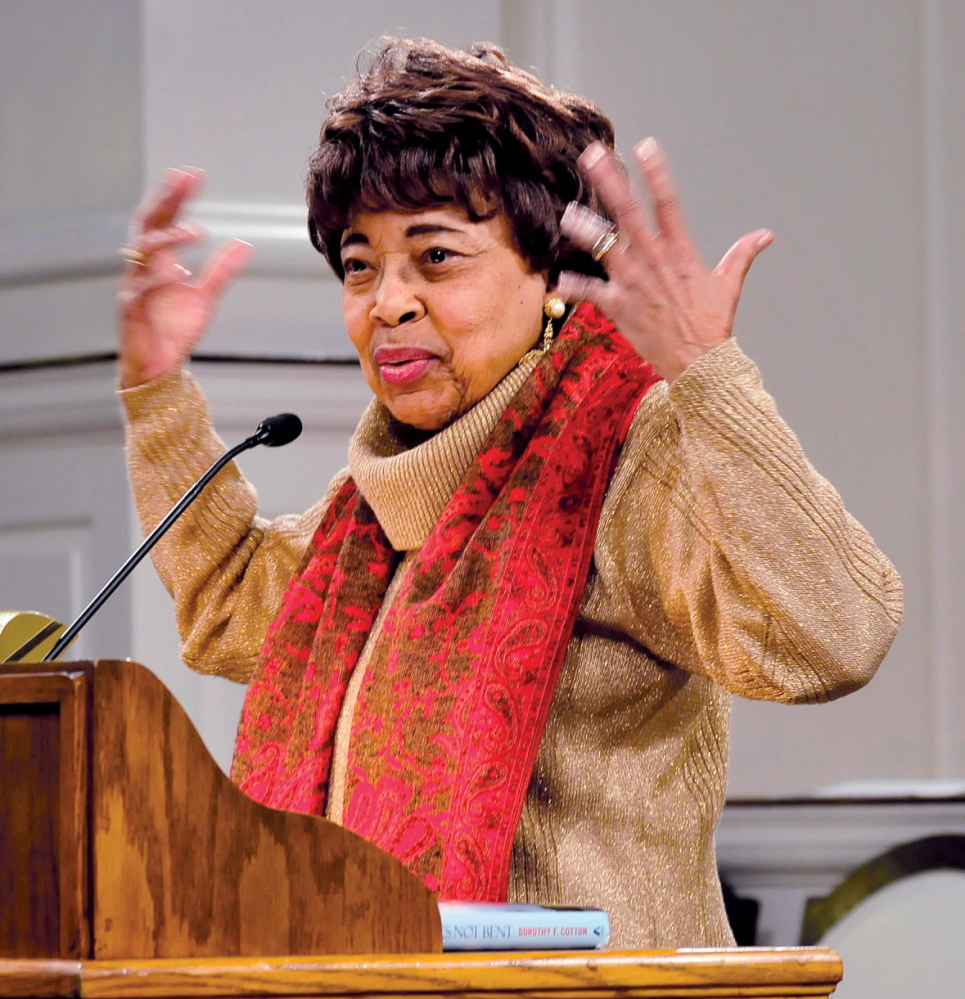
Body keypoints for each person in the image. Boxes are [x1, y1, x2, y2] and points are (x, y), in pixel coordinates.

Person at [118, 37, 902, 950]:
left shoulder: (624, 453)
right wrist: (156, 392)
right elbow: (228, 602)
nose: (387, 303)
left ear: (550, 278)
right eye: (359, 263)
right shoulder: (367, 511)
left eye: (436, 257)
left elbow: (834, 634)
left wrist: (705, 374)